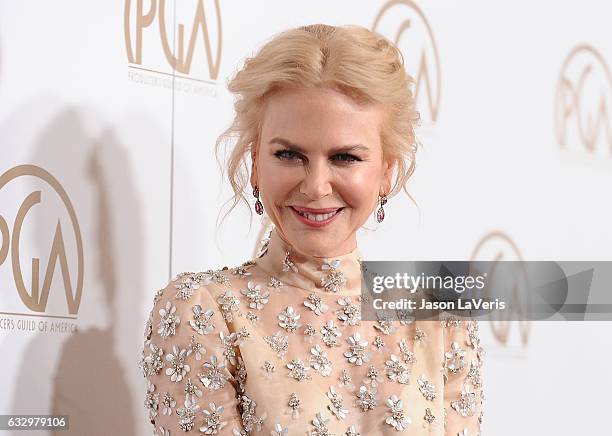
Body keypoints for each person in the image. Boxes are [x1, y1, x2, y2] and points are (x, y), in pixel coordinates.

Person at [140, 24, 484, 435]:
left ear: (387, 172)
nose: (316, 186)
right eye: (289, 154)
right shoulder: (203, 311)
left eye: (345, 157)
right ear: (254, 163)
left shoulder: (440, 316)